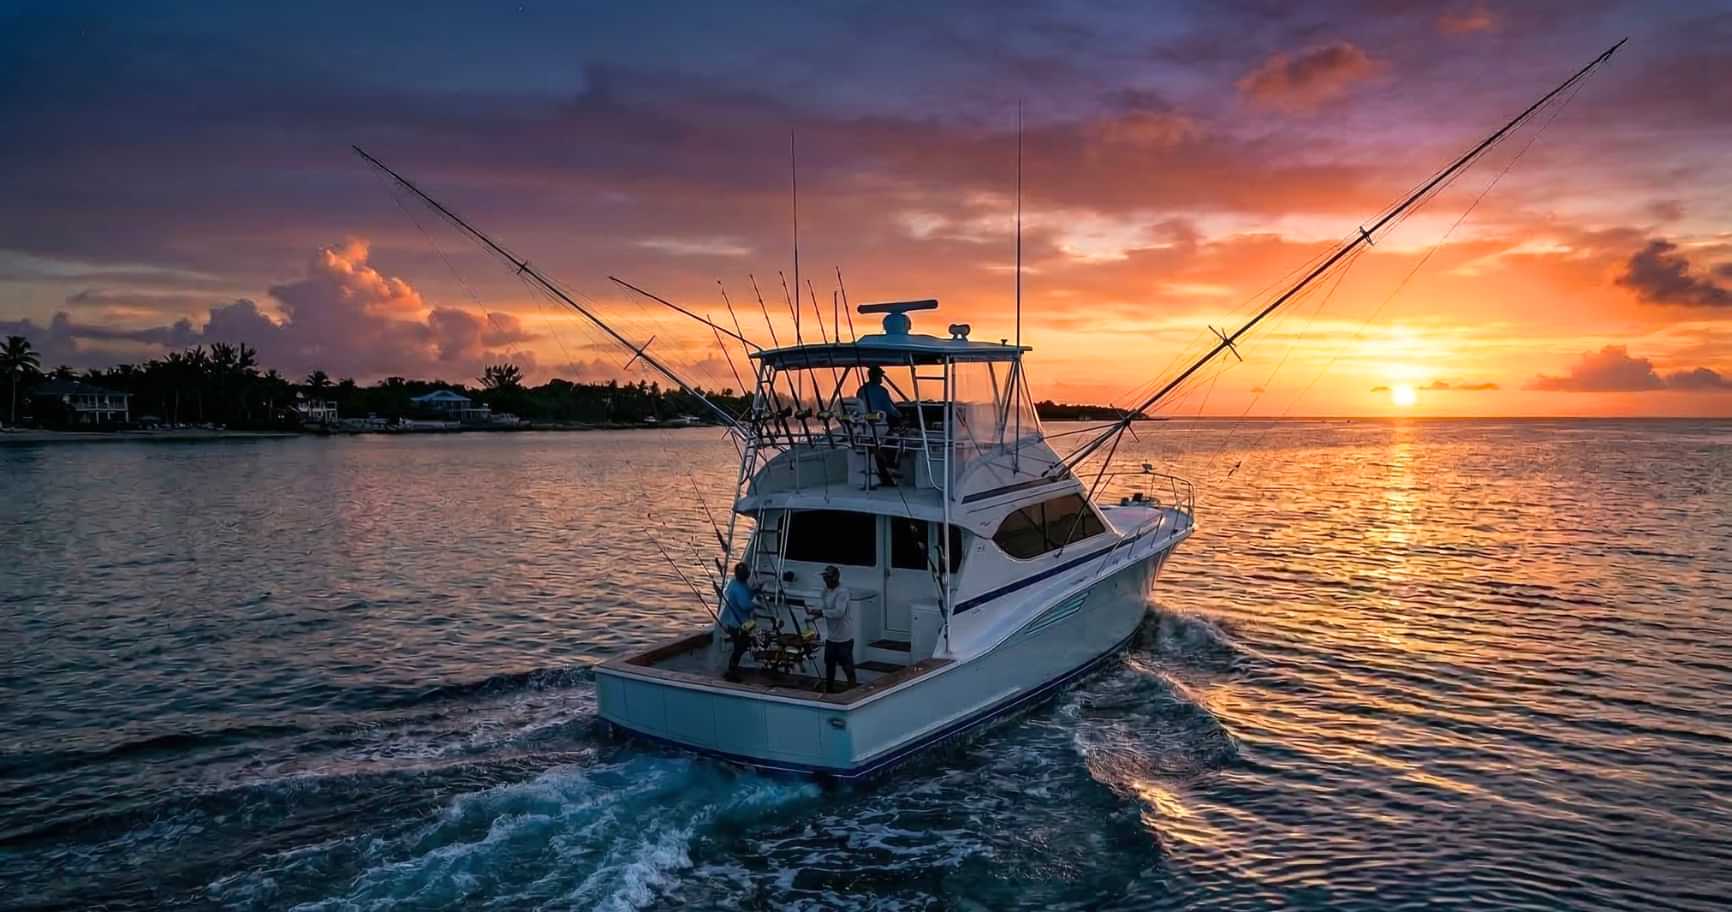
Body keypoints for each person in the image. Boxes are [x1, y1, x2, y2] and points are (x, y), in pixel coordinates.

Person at [806, 565, 857, 693]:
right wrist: (814, 616)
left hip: (844, 637)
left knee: (847, 667)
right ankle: (829, 690)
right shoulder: (825, 591)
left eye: (827, 578)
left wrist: (821, 612)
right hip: (831, 637)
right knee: (829, 665)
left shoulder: (843, 592)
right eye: (824, 578)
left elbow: (839, 612)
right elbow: (823, 607)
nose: (825, 580)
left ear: (835, 578)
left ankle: (854, 689)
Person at [857, 366, 901, 486]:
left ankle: (883, 465)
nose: (881, 378)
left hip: (864, 428)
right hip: (879, 426)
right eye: (880, 375)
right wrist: (900, 415)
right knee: (896, 436)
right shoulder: (882, 391)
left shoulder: (861, 390)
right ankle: (891, 463)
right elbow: (890, 410)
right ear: (875, 377)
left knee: (878, 442)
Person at [720, 563, 756, 683]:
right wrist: (755, 604)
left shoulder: (734, 583)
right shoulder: (740, 587)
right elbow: (745, 605)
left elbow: (746, 593)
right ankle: (731, 672)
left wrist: (755, 591)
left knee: (741, 646)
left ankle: (732, 670)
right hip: (738, 625)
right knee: (739, 648)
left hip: (732, 622)